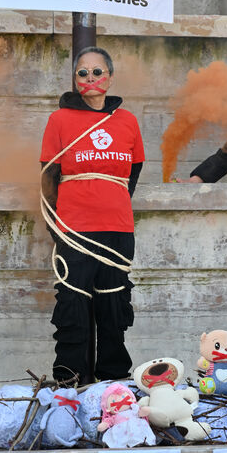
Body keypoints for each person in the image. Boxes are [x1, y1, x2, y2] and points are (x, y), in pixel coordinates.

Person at [39, 46, 145, 384]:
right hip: (74, 228)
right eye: (82, 73)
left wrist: (109, 201)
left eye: (97, 72)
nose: (90, 78)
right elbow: (48, 177)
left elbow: (133, 172)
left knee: (114, 305)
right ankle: (71, 380)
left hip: (118, 229)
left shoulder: (128, 121)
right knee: (72, 303)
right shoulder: (59, 120)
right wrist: (57, 226)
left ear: (109, 77)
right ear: (75, 79)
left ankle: (113, 381)